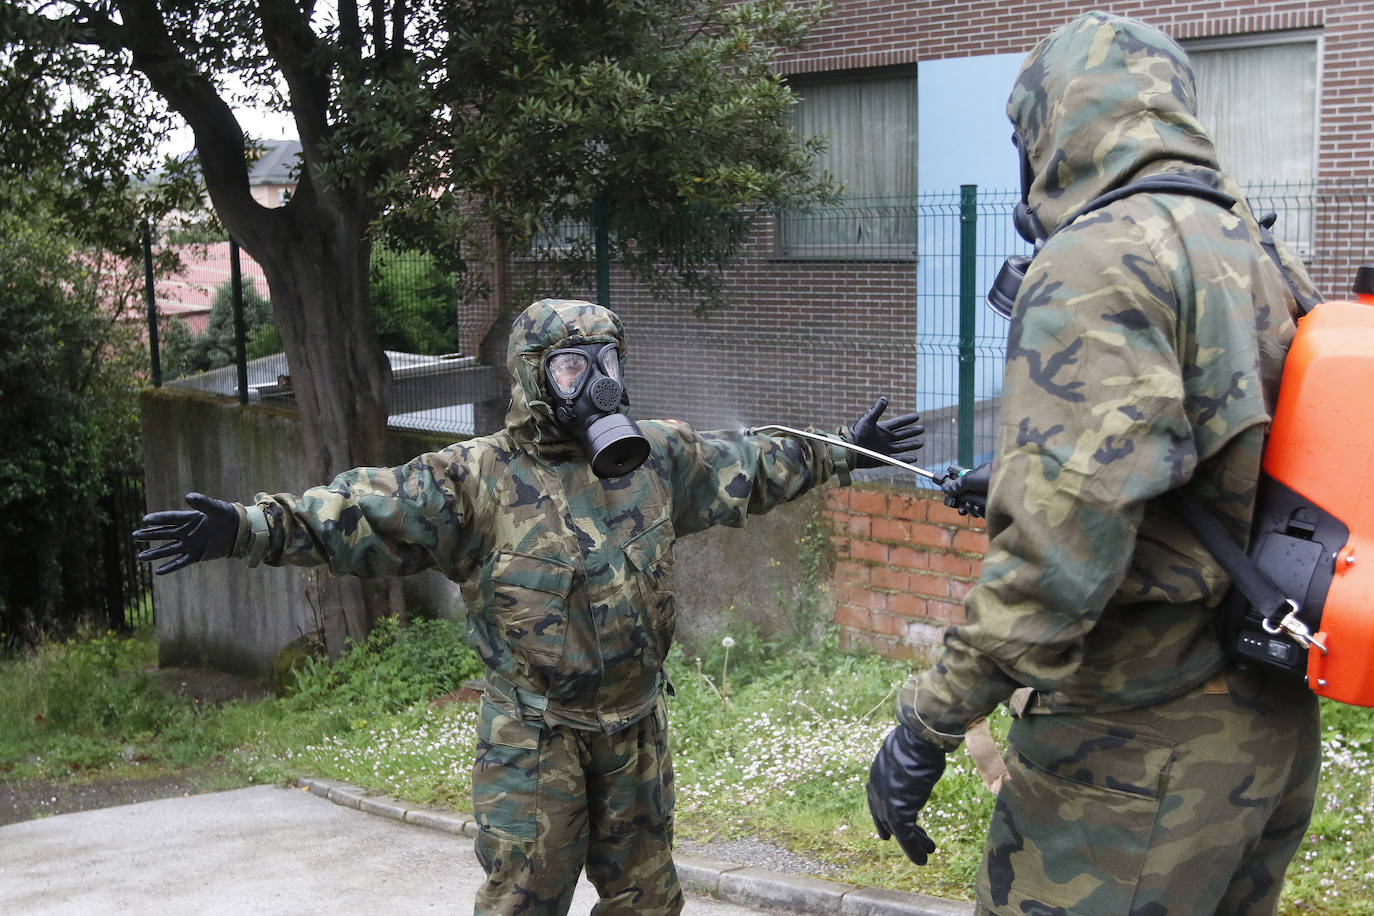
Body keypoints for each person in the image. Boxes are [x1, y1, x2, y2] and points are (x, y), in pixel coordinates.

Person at [134, 297, 923, 916]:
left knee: (649, 901)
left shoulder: (653, 460)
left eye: (609, 362)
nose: (600, 384)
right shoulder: (473, 479)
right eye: (576, 369)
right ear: (534, 374)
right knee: (523, 900)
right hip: (535, 738)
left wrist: (842, 451)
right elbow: (361, 511)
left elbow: (747, 463)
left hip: (634, 730)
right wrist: (246, 526)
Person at [866, 12, 1325, 916]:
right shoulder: (1262, 251)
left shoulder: (1100, 258)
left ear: (1053, 128)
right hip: (1265, 727)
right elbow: (1205, 469)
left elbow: (1056, 559)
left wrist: (928, 721)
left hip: (1134, 750)